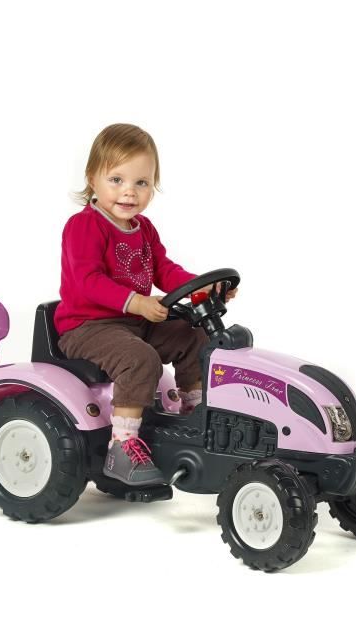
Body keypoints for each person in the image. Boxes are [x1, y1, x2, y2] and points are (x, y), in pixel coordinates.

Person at [54, 124, 237, 486]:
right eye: (116, 180)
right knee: (140, 359)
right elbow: (88, 281)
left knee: (192, 334)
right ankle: (122, 447)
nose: (129, 191)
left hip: (134, 323)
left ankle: (194, 409)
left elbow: (164, 270)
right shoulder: (84, 226)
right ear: (92, 178)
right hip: (87, 327)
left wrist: (203, 288)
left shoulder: (144, 229)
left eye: (141, 182)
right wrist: (136, 302)